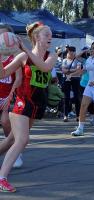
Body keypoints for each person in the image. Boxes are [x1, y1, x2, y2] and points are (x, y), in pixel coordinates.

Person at [0, 21, 57, 192]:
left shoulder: (51, 55)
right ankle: (2, 178)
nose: (50, 37)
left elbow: (45, 67)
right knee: (22, 140)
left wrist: (24, 49)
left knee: (11, 140)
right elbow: (3, 73)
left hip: (37, 104)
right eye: (46, 34)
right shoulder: (22, 56)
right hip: (21, 102)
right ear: (36, 37)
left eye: (50, 34)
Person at [0, 24, 23, 168]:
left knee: (5, 121)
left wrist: (10, 97)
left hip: (8, 95)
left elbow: (19, 79)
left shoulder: (16, 56)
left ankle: (16, 151)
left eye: (4, 35)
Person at [61, 46, 82, 122]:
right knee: (66, 97)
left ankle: (78, 115)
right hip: (66, 79)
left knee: (77, 97)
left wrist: (69, 73)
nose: (71, 53)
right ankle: (65, 115)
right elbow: (63, 70)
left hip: (75, 79)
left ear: (74, 52)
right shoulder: (65, 60)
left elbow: (79, 71)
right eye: (69, 51)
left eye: (72, 51)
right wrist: (73, 70)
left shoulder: (77, 60)